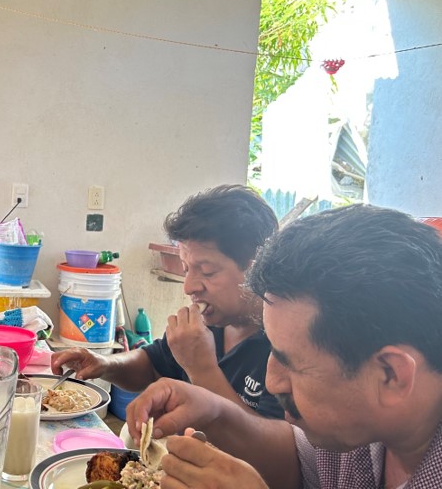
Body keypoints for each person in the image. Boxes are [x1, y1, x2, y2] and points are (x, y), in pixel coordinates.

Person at [128, 204, 442, 489]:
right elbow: (299, 460)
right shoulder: (359, 429)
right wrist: (215, 413)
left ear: (391, 374)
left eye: (289, 362)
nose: (272, 381)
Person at [52, 184, 283, 418]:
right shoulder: (209, 323)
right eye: (186, 269)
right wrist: (104, 364)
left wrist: (201, 369)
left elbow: (274, 448)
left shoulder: (284, 346)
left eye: (207, 271)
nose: (189, 286)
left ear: (256, 268)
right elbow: (153, 364)